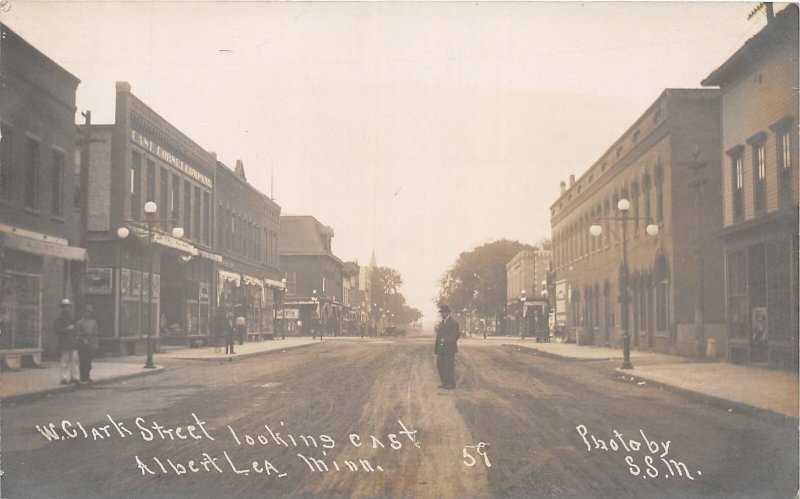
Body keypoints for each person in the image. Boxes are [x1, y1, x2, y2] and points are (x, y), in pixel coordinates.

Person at [434, 304, 460, 390]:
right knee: (440, 365)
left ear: (447, 313)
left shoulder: (453, 323)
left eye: (443, 312)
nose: (442, 314)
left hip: (449, 349)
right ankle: (445, 383)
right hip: (441, 349)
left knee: (449, 366)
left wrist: (446, 340)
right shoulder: (442, 323)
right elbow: (439, 336)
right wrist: (437, 348)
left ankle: (451, 384)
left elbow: (456, 335)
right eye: (441, 312)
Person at [54, 299, 78, 385]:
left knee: (74, 360)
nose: (67, 309)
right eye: (65, 307)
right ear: (62, 308)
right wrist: (67, 329)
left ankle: (74, 377)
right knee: (65, 361)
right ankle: (64, 378)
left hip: (72, 343)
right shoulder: (59, 319)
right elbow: (57, 331)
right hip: (64, 342)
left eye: (69, 307)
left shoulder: (71, 318)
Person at [75, 304, 98, 384]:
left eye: (90, 312)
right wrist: (83, 340)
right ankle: (83, 378)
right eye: (87, 312)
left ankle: (87, 377)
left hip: (90, 343)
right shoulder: (79, 322)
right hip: (82, 344)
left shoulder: (93, 322)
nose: (88, 314)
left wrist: (95, 344)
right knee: (83, 361)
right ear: (83, 312)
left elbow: (95, 334)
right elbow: (77, 334)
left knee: (88, 362)